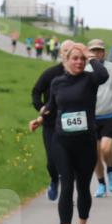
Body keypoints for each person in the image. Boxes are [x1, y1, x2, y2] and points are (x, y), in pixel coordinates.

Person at [29, 42, 109, 224]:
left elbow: (103, 75)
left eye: (82, 59)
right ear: (66, 60)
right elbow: (51, 106)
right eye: (75, 58)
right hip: (62, 141)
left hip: (85, 142)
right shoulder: (57, 82)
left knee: (83, 187)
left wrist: (89, 55)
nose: (79, 62)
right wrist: (39, 119)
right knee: (66, 185)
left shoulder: (90, 80)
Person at [87, 39, 112, 197]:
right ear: (89, 52)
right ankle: (102, 184)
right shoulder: (85, 69)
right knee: (94, 155)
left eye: (99, 50)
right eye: (93, 50)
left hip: (110, 116)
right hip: (91, 118)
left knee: (106, 149)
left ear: (104, 52)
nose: (97, 53)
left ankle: (110, 169)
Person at [31, 46, 68, 201]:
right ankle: (54, 180)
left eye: (72, 50)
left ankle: (67, 194)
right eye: (65, 50)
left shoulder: (81, 75)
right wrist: (41, 108)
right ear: (60, 53)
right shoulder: (51, 73)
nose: (68, 53)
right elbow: (36, 91)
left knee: (68, 161)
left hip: (71, 126)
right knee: (52, 161)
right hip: (51, 123)